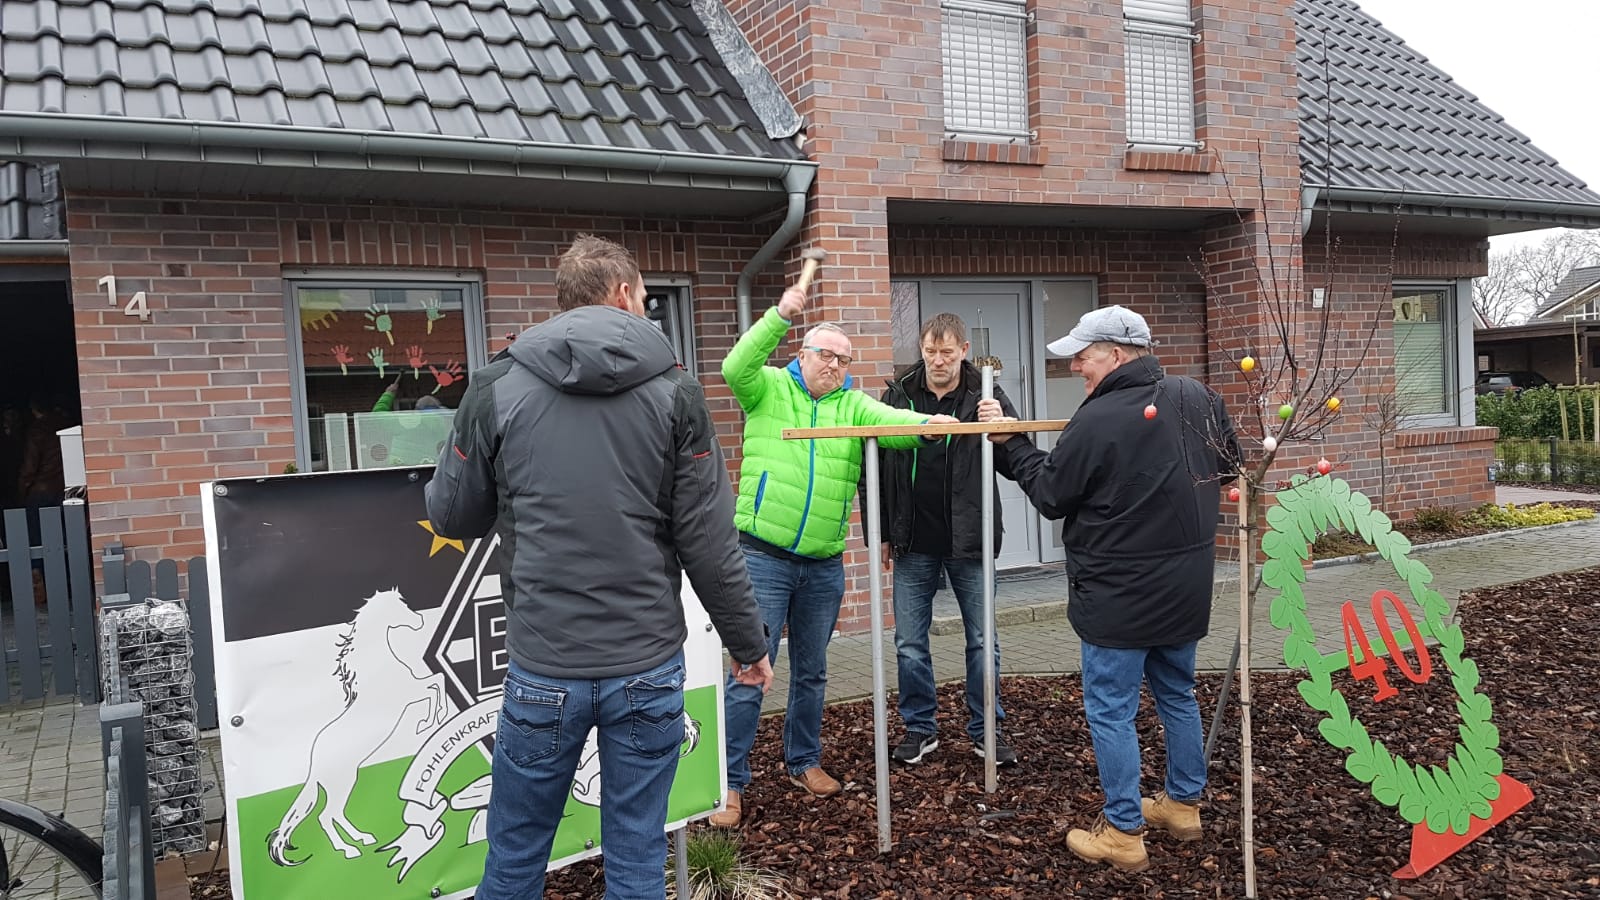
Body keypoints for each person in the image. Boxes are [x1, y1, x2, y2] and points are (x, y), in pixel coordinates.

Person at [425, 233, 774, 899]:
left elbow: (451, 515)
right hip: (646, 665)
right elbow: (708, 541)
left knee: (515, 853)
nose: (646, 309)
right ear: (621, 294)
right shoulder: (677, 392)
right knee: (637, 853)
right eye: (643, 297)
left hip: (544, 667)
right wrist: (748, 644)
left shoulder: (495, 386)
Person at [978, 305, 1239, 873]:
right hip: (1186, 586)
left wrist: (1013, 442)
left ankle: (1123, 831)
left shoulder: (1096, 417)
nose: (1076, 366)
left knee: (1111, 711)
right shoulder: (1198, 397)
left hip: (1118, 595)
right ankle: (1183, 805)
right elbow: (1228, 470)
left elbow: (1052, 494)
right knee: (1177, 694)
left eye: (1083, 356)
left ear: (1116, 355)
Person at [710, 281, 958, 827]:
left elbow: (892, 424)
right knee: (750, 669)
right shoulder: (768, 388)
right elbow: (734, 367)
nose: (836, 367)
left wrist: (928, 426)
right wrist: (779, 315)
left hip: (822, 564)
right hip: (762, 557)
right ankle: (728, 782)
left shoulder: (852, 405)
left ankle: (803, 761)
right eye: (827, 356)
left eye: (844, 360)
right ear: (804, 354)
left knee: (813, 671)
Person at [873, 313, 1021, 767]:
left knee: (983, 640)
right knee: (909, 642)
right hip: (913, 539)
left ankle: (987, 728)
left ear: (963, 351)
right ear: (921, 349)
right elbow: (874, 466)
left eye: (947, 352)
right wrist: (882, 532)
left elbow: (1015, 460)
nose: (938, 361)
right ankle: (920, 728)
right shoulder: (899, 395)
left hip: (969, 540)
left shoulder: (986, 394)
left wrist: (1003, 427)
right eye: (930, 351)